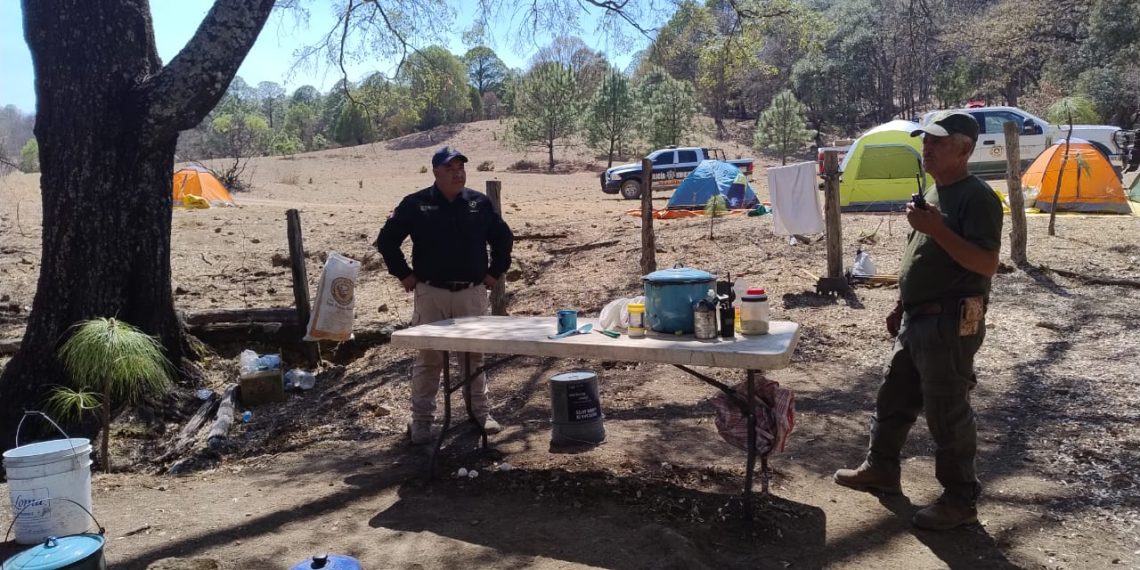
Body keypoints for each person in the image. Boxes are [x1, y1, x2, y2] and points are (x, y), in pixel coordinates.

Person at [833, 111, 1003, 531]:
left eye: (937, 141)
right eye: (925, 140)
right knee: (893, 397)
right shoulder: (936, 190)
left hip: (949, 321)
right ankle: (882, 469)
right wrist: (900, 303)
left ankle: (960, 500)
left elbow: (986, 263)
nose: (927, 147)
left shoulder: (976, 196)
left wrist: (937, 228)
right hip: (917, 317)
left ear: (963, 149)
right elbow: (922, 257)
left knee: (947, 410)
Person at [376, 146, 513, 445]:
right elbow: (386, 241)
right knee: (429, 360)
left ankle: (480, 415)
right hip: (431, 293)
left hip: (471, 294)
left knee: (473, 359)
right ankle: (422, 423)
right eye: (449, 169)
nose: (457, 173)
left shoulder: (479, 203)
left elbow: (504, 239)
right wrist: (404, 274)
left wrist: (494, 273)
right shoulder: (416, 204)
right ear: (436, 172)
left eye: (461, 168)